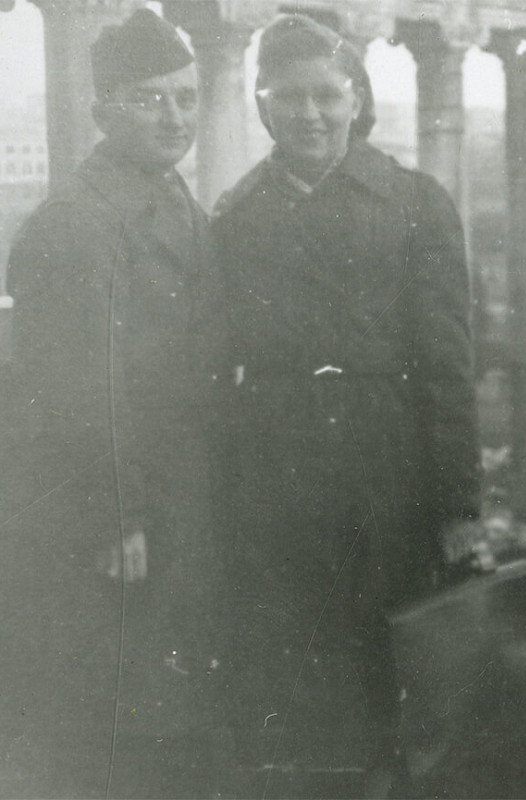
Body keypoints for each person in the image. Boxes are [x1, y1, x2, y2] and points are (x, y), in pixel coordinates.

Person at [212, 13, 482, 798]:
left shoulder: (416, 203)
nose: (310, 114)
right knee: (298, 695)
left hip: (389, 482)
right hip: (277, 493)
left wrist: (460, 507)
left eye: (327, 94)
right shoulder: (234, 220)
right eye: (288, 97)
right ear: (261, 106)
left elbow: (447, 370)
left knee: (394, 687)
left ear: (357, 97)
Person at [0, 10, 231, 798]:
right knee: (117, 727)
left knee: (166, 715)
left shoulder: (169, 200)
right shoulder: (76, 225)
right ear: (102, 112)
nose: (174, 118)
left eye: (187, 98)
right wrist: (116, 515)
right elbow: (72, 391)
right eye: (149, 100)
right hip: (118, 520)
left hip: (174, 501)